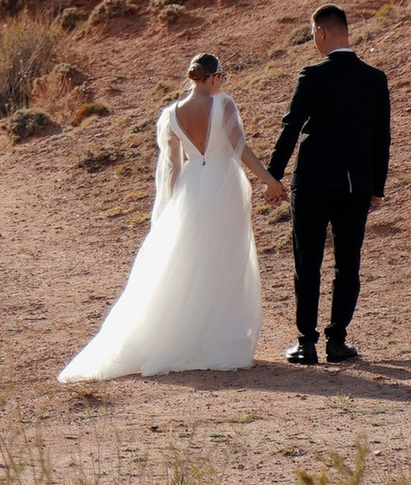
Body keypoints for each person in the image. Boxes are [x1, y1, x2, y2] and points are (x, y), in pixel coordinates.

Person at [58, 48, 262, 383]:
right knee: (223, 260)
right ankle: (216, 339)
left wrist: (172, 205)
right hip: (224, 185)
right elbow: (241, 149)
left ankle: (184, 335)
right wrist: (269, 180)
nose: (222, 83)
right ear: (213, 78)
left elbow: (172, 167)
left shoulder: (171, 114)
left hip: (191, 187)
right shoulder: (223, 104)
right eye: (221, 77)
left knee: (191, 260)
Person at [266, 2, 390, 366]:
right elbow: (382, 138)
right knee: (348, 263)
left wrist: (273, 177)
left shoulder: (312, 76)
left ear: (321, 32)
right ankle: (337, 340)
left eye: (312, 34)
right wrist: (377, 188)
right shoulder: (375, 78)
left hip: (312, 184)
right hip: (355, 186)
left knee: (308, 262)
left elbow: (290, 128)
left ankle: (306, 343)